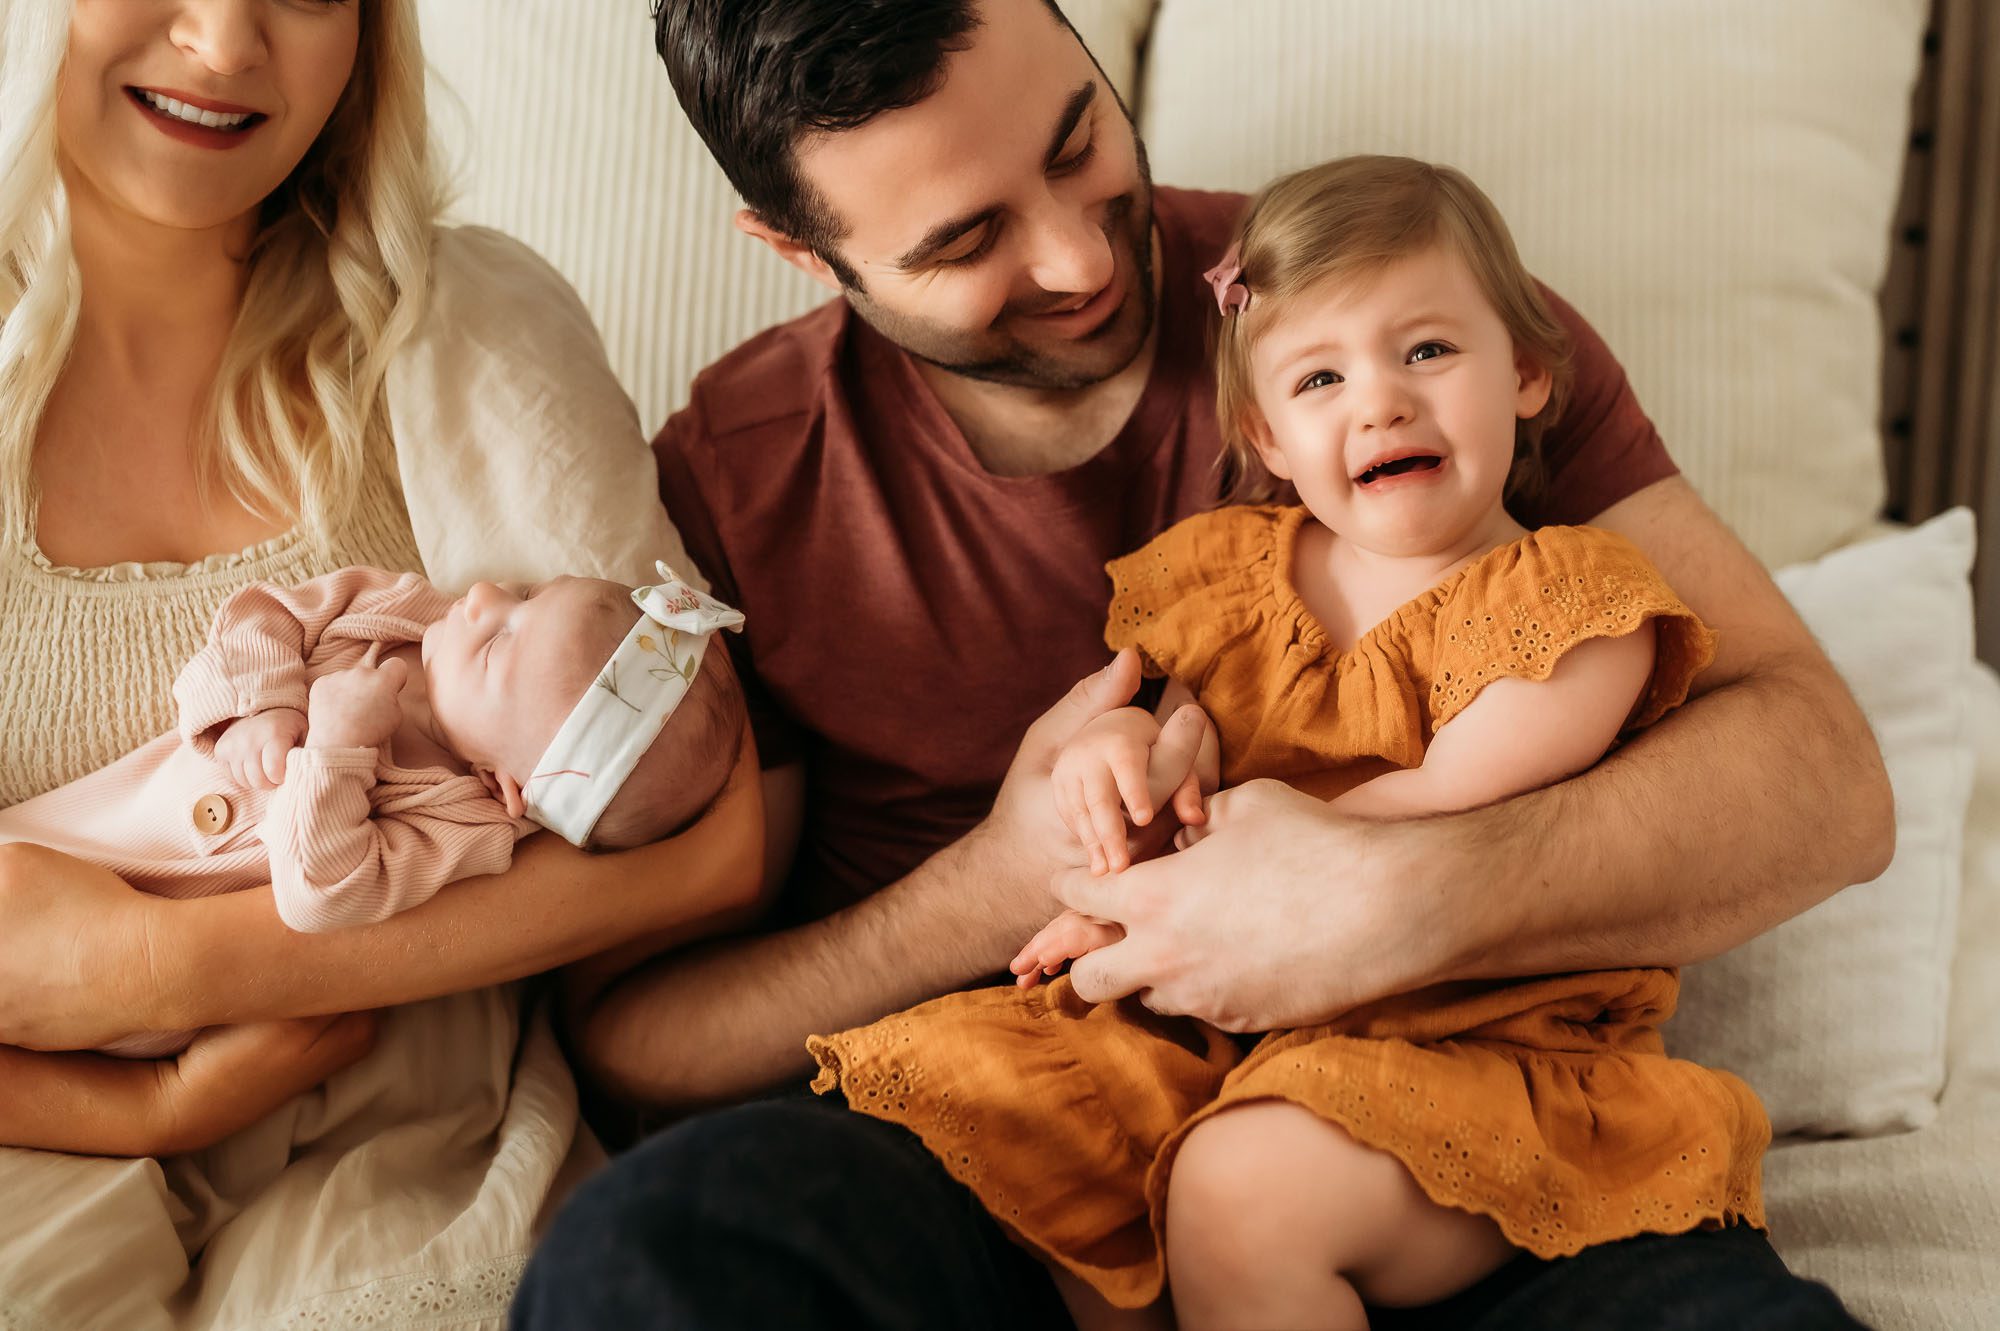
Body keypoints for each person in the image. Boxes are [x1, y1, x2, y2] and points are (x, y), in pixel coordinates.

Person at [514, 1, 1887, 1327]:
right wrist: (994, 885)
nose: (1078, 260)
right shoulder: (747, 472)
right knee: (652, 1255)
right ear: (803, 251)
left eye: (1073, 142)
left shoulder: (1395, 312)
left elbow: (1825, 784)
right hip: (1015, 1137)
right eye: (968, 238)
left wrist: (1399, 893)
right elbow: (638, 1031)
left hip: (1456, 1131)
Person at [807, 155, 1773, 1331]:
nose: (1378, 402)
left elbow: (1446, 799)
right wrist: (1122, 769)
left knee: (1243, 1187)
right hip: (1228, 1023)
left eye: (1424, 351)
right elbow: (1189, 735)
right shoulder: (1234, 577)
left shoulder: (1572, 603)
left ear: (1525, 372)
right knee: (1011, 1125)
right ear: (1265, 433)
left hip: (1474, 1043)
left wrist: (1165, 896)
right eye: (1320, 376)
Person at [0, 2, 759, 1326]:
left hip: (405, 1134)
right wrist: (147, 1103)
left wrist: (167, 966)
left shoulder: (468, 324)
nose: (229, 45)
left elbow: (710, 835)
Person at [0, 560, 742, 1074]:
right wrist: (264, 704)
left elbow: (323, 893)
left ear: (507, 783)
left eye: (495, 645)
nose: (480, 596)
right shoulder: (400, 610)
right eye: (522, 592)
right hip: (84, 825)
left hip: (129, 1005)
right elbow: (269, 612)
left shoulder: (467, 829)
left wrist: (338, 745)